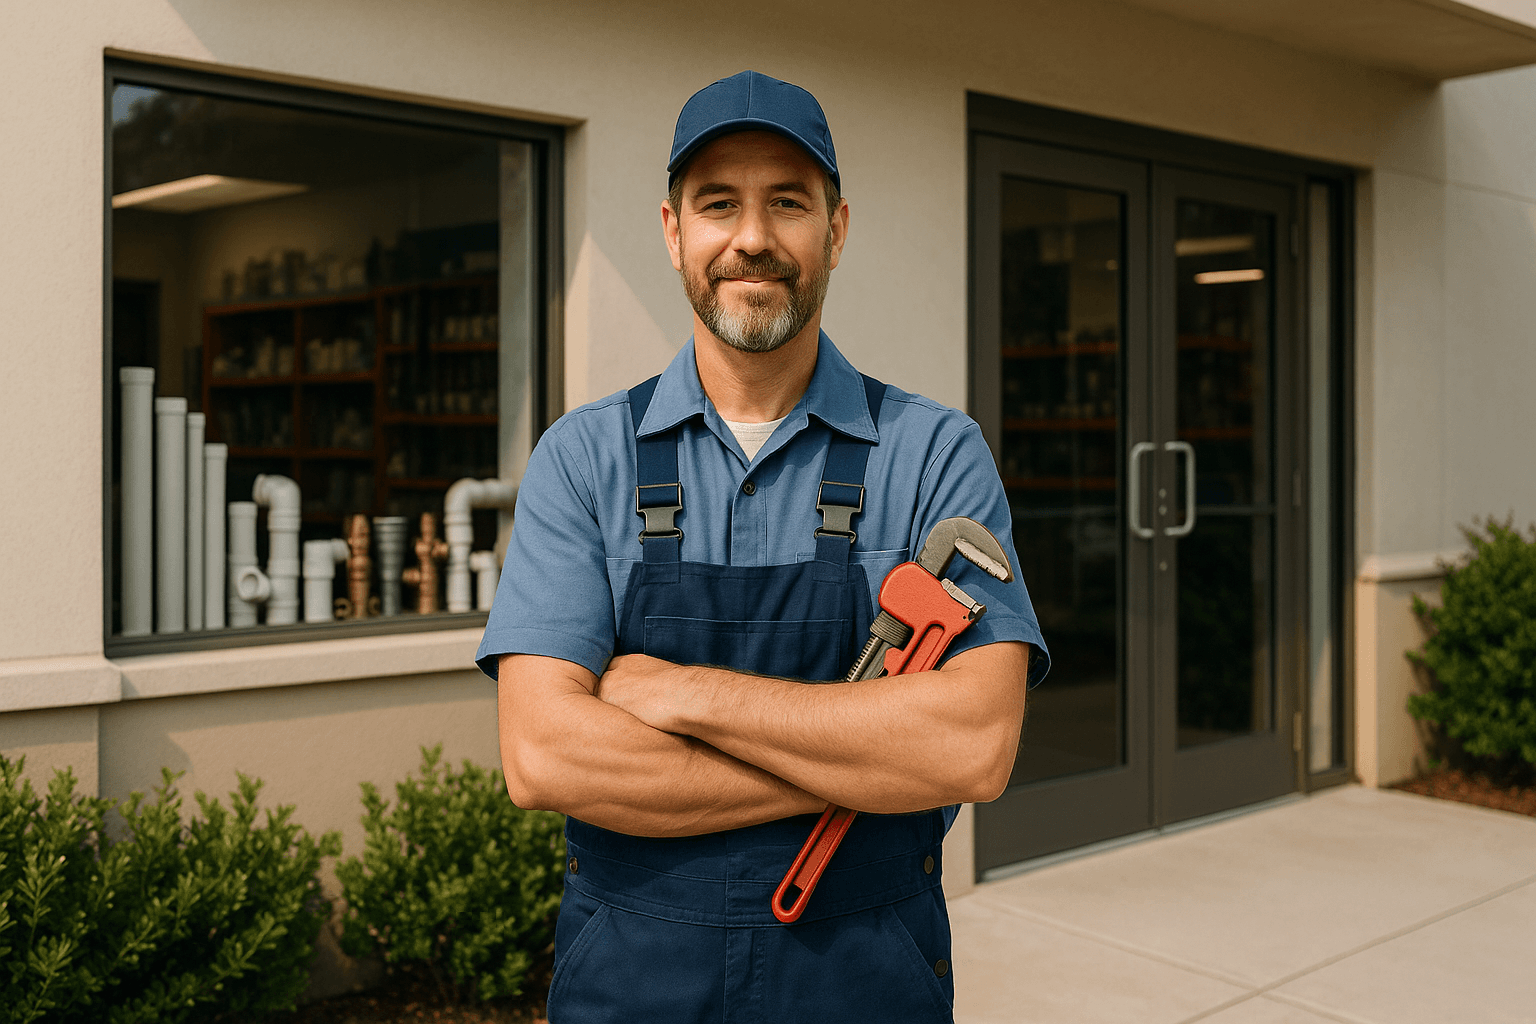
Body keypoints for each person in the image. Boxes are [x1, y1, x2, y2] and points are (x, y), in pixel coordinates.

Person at [477, 70, 1049, 1024]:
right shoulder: (583, 460)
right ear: (674, 232)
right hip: (631, 988)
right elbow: (545, 757)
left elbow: (974, 745)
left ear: (836, 230)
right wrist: (861, 762)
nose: (752, 237)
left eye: (788, 202)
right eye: (718, 204)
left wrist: (683, 694)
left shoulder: (934, 454)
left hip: (867, 981)